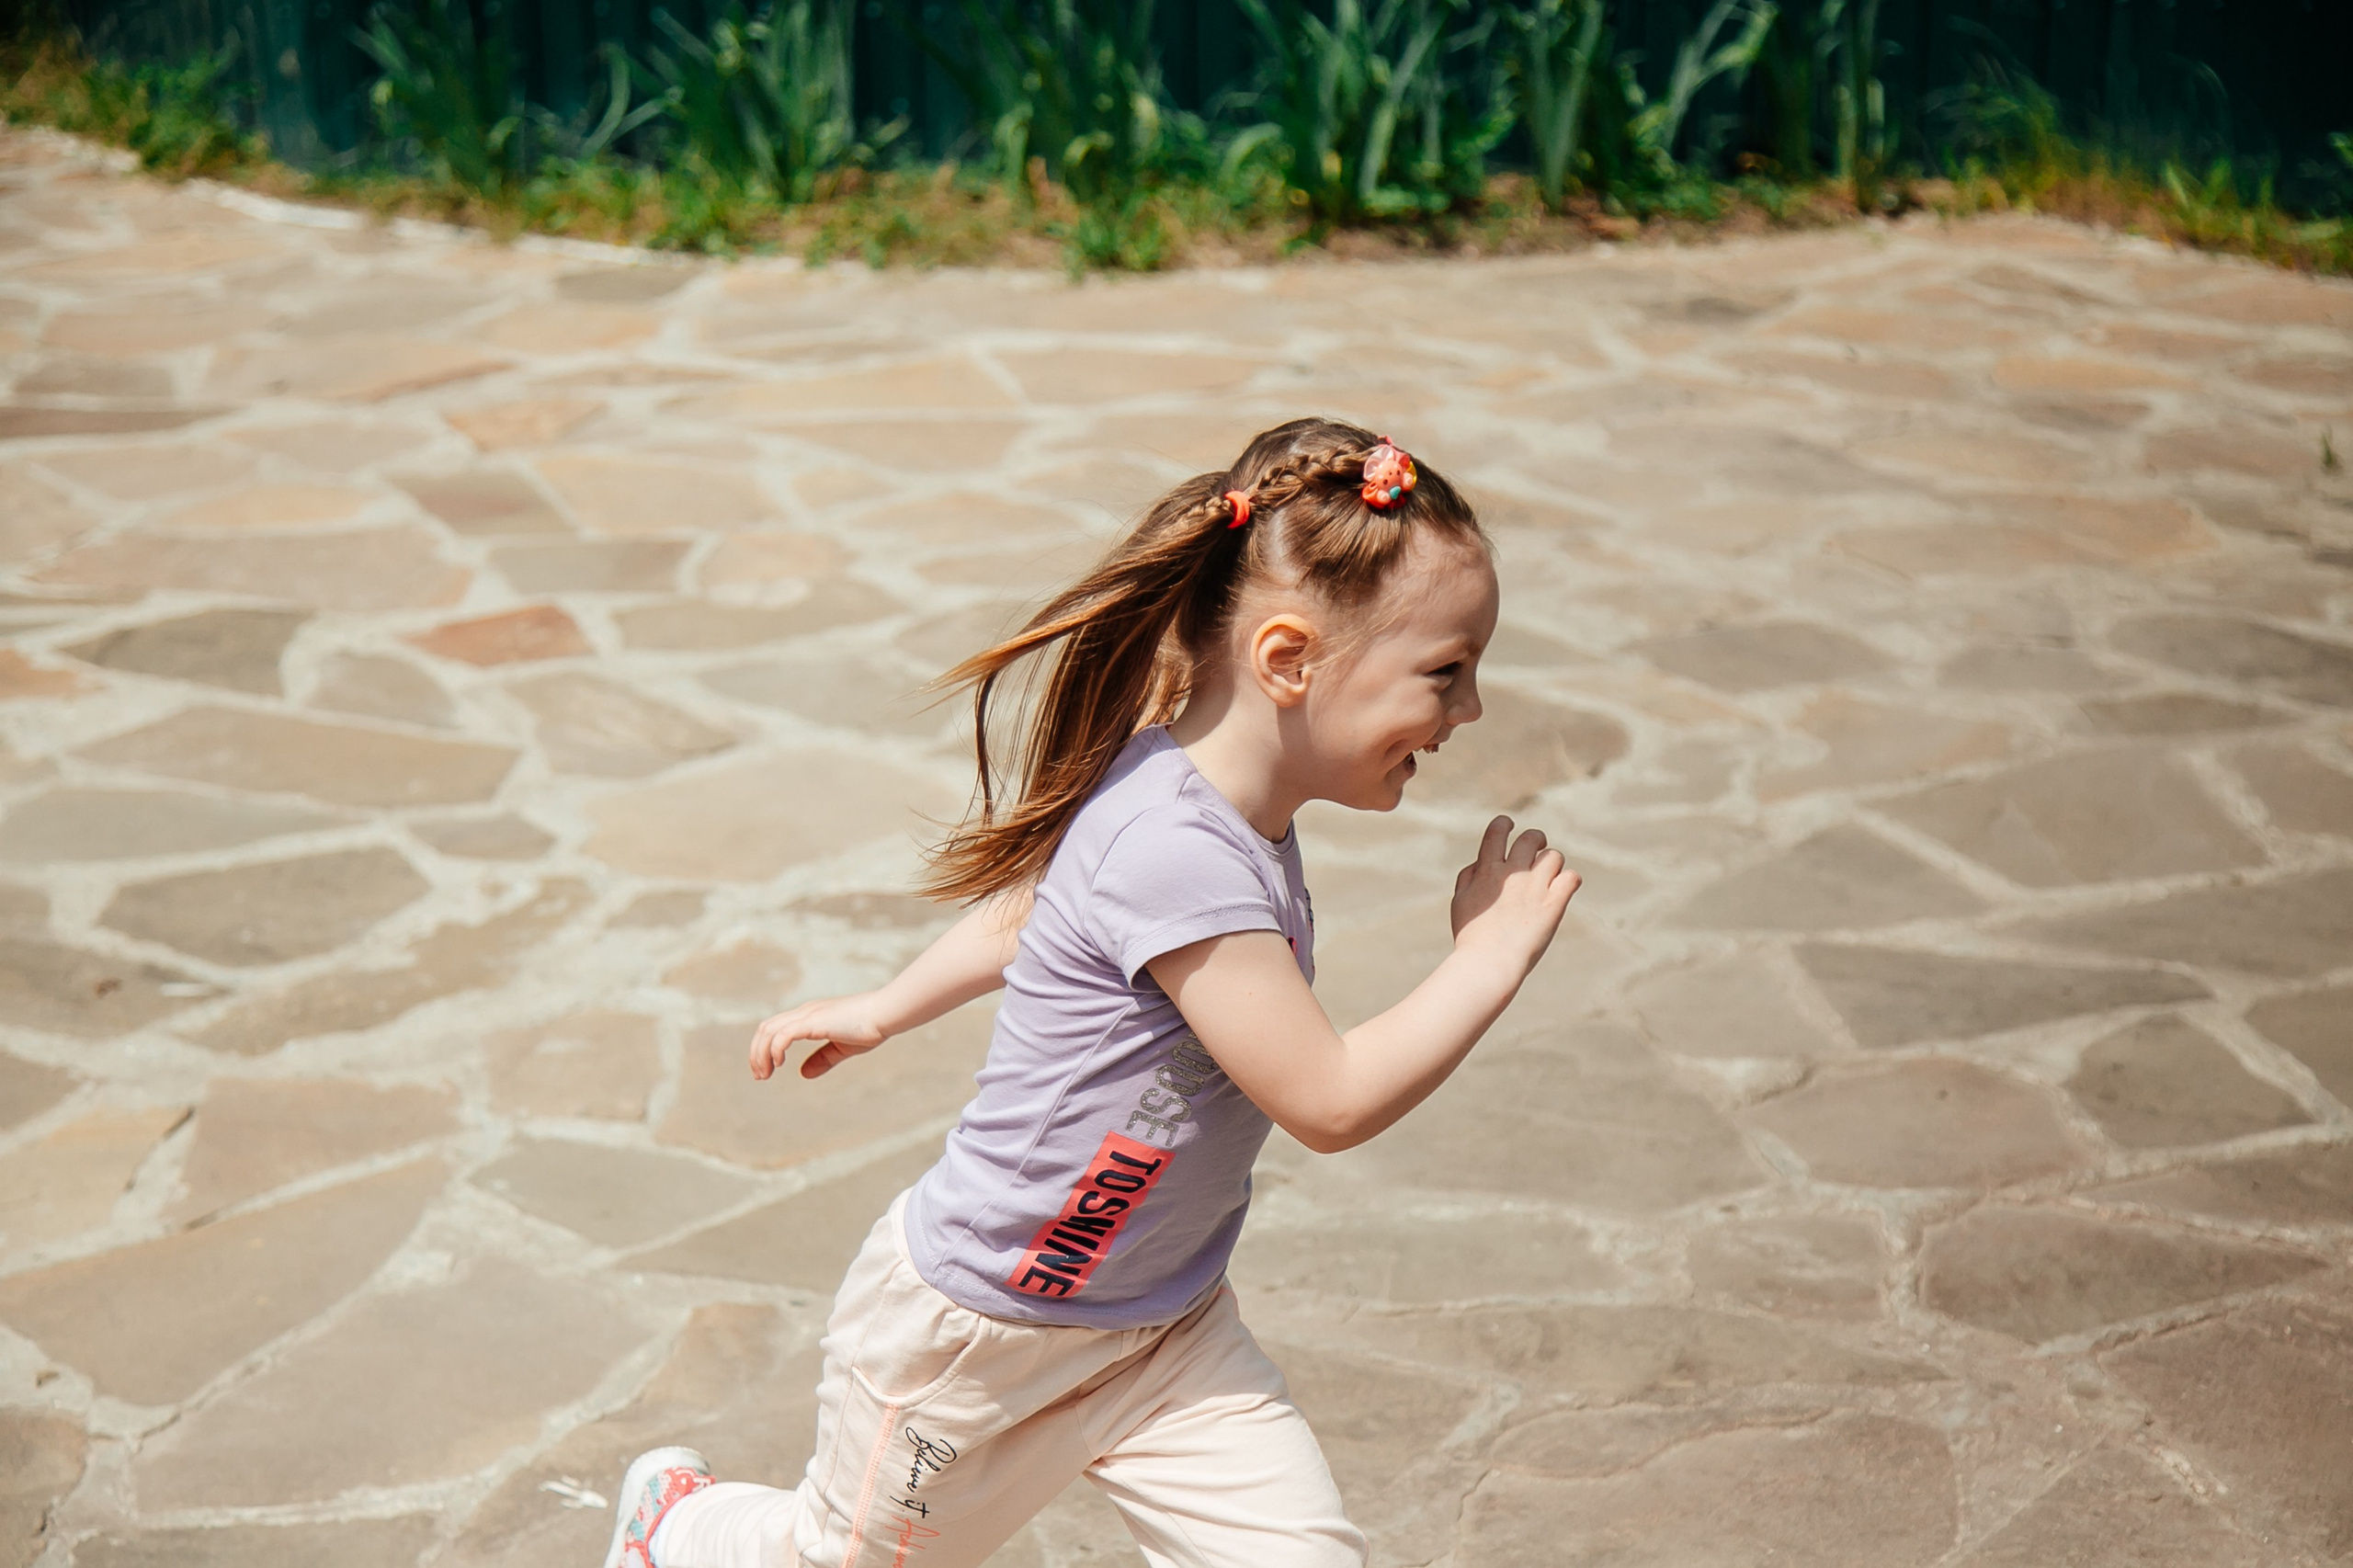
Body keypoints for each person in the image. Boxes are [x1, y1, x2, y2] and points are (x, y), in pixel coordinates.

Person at [604, 416, 1581, 1568]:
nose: (1467, 710)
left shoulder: (1205, 799)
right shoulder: (1176, 840)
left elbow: (1052, 904)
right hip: (979, 1338)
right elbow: (1327, 1099)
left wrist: (889, 1003)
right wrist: (1488, 954)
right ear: (1285, 660)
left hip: (1164, 1332)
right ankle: (675, 1526)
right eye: (1446, 671)